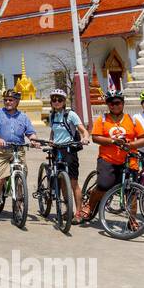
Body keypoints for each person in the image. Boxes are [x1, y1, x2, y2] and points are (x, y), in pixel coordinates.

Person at [79, 90, 144, 224]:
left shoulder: (132, 120)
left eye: (117, 103)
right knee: (103, 185)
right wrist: (112, 141)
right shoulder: (103, 119)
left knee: (132, 191)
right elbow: (95, 137)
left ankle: (132, 219)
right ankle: (90, 205)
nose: (114, 106)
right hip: (108, 159)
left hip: (130, 160)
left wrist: (131, 144)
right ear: (107, 105)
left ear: (122, 104)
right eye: (111, 103)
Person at [0, 88, 40, 228]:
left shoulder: (23, 117)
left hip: (19, 150)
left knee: (21, 181)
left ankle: (18, 207)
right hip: (2, 151)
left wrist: (34, 140)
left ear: (17, 101)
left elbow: (30, 132)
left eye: (11, 100)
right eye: (6, 100)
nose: (8, 102)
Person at [46, 88, 91, 216]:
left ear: (64, 101)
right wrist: (50, 140)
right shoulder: (52, 115)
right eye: (54, 100)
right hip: (57, 149)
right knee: (62, 182)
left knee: (73, 182)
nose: (56, 102)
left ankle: (78, 211)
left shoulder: (70, 114)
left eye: (59, 100)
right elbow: (53, 131)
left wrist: (85, 138)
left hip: (69, 149)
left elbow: (83, 130)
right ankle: (68, 209)